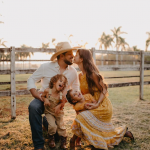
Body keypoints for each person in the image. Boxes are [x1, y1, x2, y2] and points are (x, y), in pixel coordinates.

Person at [69, 49, 134, 150]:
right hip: (90, 103)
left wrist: (97, 103)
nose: (74, 56)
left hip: (102, 105)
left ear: (81, 59)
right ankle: (123, 133)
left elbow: (104, 89)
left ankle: (72, 140)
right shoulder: (80, 75)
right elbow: (83, 95)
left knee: (81, 117)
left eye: (76, 55)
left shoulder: (92, 74)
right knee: (82, 116)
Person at [27, 42, 79, 150]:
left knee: (56, 136)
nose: (72, 55)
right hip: (43, 99)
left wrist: (65, 101)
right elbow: (31, 79)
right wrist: (35, 93)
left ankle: (47, 123)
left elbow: (76, 88)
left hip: (58, 104)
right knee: (33, 107)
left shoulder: (73, 72)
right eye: (69, 53)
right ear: (61, 55)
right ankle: (39, 145)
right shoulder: (46, 67)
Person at [41, 74, 68, 149]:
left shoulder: (61, 94)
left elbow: (63, 102)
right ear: (54, 82)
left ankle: (63, 140)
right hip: (49, 112)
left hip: (58, 113)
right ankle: (51, 138)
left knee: (61, 126)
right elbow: (42, 96)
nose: (62, 83)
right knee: (52, 126)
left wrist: (59, 106)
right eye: (61, 81)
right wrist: (46, 99)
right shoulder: (47, 91)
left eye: (64, 83)